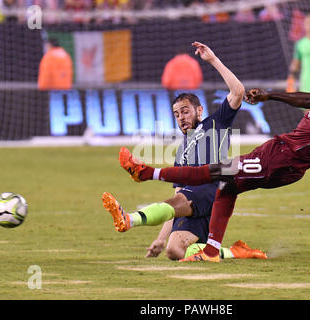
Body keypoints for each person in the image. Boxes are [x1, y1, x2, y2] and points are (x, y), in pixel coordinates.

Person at [118, 50, 310, 262]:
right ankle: (214, 251)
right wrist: (270, 95)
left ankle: (147, 174)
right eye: (177, 114)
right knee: (224, 187)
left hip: (280, 156)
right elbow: (307, 99)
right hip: (288, 165)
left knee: (218, 171)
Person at [103, 41, 266, 261]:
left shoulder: (215, 123)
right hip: (191, 201)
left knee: (181, 201)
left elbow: (237, 91)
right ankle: (235, 252)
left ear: (199, 110)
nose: (181, 118)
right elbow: (177, 197)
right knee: (174, 252)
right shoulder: (181, 151)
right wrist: (161, 239)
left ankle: (129, 219)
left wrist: (213, 60)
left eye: (185, 111)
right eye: (177, 114)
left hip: (213, 189)